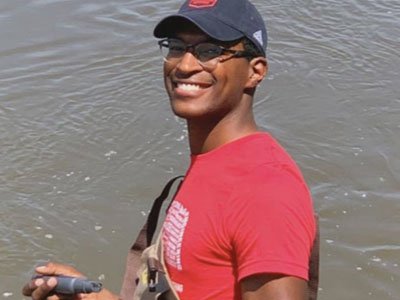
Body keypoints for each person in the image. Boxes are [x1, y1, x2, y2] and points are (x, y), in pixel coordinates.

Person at [22, 0, 316, 299]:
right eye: (176, 47)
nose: (185, 65)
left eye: (210, 51)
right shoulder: (213, 161)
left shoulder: (264, 189)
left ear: (255, 71)